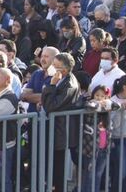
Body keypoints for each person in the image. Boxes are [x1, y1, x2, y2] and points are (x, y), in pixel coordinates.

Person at [41, 53, 81, 192]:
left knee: (58, 166)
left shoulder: (69, 84)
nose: (52, 68)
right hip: (56, 128)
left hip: (62, 130)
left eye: (56, 66)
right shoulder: (61, 80)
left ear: (64, 70)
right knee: (54, 164)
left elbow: (50, 106)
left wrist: (51, 86)